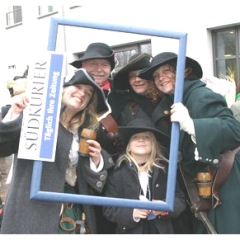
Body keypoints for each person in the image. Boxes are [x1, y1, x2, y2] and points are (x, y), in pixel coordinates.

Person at [0, 68, 115, 234]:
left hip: (70, 209)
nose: (82, 94)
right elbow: (3, 147)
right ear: (64, 88)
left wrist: (96, 161)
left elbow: (87, 181)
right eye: (78, 87)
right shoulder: (37, 113)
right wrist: (15, 112)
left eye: (88, 93)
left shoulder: (85, 129)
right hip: (31, 206)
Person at [139, 52, 240, 234]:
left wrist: (193, 126)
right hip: (202, 189)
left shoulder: (199, 95)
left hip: (224, 184)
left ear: (185, 71)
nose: (161, 78)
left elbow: (234, 130)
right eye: (156, 75)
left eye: (167, 71)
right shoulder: (174, 100)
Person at [102, 118, 186, 234]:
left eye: (147, 137)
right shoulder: (117, 173)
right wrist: (132, 213)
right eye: (135, 137)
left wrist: (164, 208)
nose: (141, 140)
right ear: (129, 147)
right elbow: (108, 209)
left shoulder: (165, 170)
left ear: (154, 145)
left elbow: (180, 200)